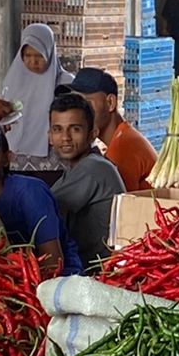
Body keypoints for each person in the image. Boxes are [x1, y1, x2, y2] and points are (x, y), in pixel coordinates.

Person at [48, 93, 124, 267]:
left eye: (75, 129)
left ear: (92, 135)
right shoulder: (74, 170)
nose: (65, 137)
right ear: (50, 136)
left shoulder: (94, 168)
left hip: (97, 273)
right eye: (58, 129)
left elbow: (43, 209)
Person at [0, 137, 81, 277]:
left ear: (7, 158)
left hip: (61, 282)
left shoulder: (30, 192)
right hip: (10, 283)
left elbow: (53, 263)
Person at [0, 24, 71, 170]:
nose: (33, 62)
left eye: (39, 56)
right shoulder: (13, 80)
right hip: (16, 159)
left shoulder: (65, 83)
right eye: (27, 55)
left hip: (53, 163)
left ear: (50, 52)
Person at [69, 67, 156, 191]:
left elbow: (120, 205)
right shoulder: (124, 135)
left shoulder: (123, 148)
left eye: (87, 104)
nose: (80, 114)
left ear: (110, 103)